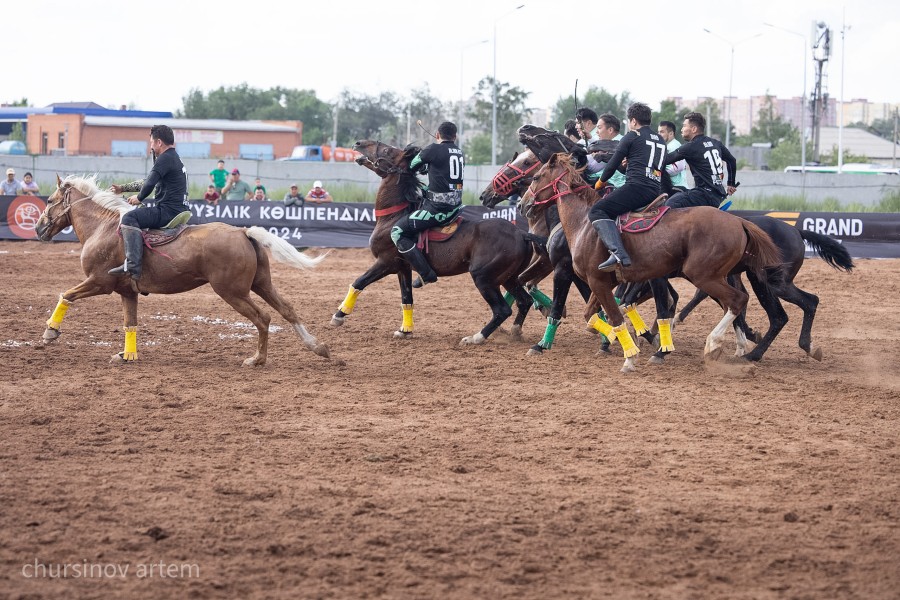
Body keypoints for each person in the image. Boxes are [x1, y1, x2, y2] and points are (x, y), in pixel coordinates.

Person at [589, 102, 667, 271]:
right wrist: (628, 166)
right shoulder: (660, 139)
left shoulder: (632, 136)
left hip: (637, 188)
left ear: (633, 121)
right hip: (655, 189)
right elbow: (641, 168)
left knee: (597, 210)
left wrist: (598, 183)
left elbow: (611, 166)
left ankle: (618, 254)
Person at [108, 124, 188, 281]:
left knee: (129, 218)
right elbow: (150, 181)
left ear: (159, 142)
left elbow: (150, 182)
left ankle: (132, 265)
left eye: (151, 143)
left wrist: (139, 198)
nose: (150, 146)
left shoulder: (165, 158)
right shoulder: (173, 157)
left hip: (167, 212)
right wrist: (123, 188)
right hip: (178, 209)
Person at [390, 121, 463, 285]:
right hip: (456, 205)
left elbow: (412, 165)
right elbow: (443, 174)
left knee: (397, 232)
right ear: (455, 136)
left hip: (438, 209)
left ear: (437, 135)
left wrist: (424, 159)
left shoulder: (433, 149)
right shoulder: (459, 152)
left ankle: (426, 273)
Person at [662, 112, 737, 209]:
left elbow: (665, 160)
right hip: (719, 194)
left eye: (684, 126)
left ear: (694, 129)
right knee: (681, 191)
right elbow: (732, 160)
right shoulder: (716, 143)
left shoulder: (690, 147)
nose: (681, 129)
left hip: (704, 195)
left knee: (670, 203)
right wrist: (731, 183)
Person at [585, 113, 626, 190]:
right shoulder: (605, 145)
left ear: (610, 130)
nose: (597, 132)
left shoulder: (623, 144)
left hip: (616, 188)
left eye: (599, 128)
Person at [658, 120, 687, 190]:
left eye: (662, 132)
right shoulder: (667, 146)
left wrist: (655, 173)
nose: (659, 134)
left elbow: (679, 167)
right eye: (658, 132)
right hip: (672, 187)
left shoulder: (674, 145)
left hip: (676, 188)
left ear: (671, 133)